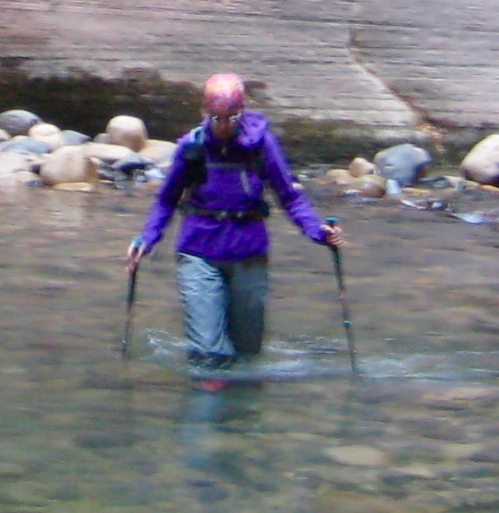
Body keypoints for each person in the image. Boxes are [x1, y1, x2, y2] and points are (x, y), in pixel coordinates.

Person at [127, 72, 341, 389]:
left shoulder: (261, 144)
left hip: (249, 254)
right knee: (209, 357)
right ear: (205, 113)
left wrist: (318, 231)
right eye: (216, 118)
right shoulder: (192, 148)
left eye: (231, 118)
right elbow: (167, 200)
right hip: (199, 253)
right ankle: (204, 428)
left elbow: (290, 197)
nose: (224, 126)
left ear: (242, 112)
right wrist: (147, 239)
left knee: (247, 357)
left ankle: (243, 426)